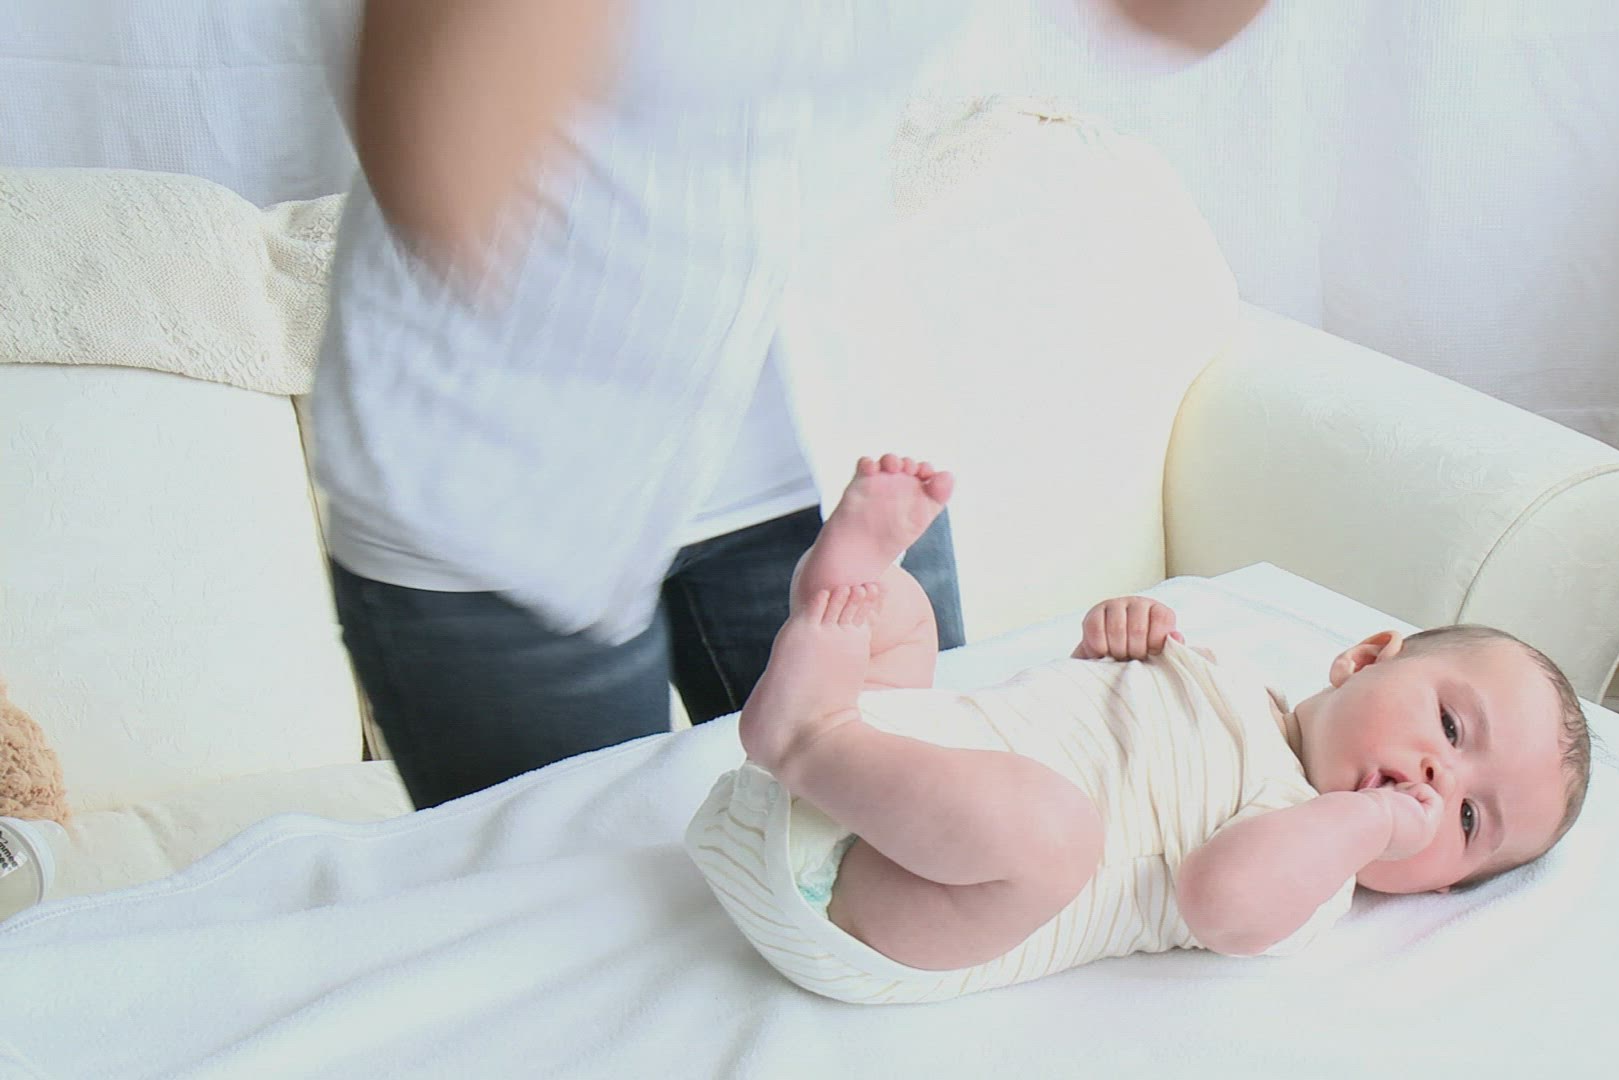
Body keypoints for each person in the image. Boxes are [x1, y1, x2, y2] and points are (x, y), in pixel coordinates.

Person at [309, 0, 1274, 810]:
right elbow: (443, 174)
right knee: (575, 936)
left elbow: (1175, 19)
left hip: (839, 453)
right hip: (502, 484)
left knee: (910, 893)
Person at [685, 453, 1592, 1003]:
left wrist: (1365, 822)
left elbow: (1219, 900)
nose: (1438, 781)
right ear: (1362, 658)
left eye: (1467, 818)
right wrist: (1112, 644)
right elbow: (1078, 718)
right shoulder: (1225, 674)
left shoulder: (1313, 876)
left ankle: (805, 735)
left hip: (875, 908)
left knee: (1054, 832)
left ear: (1439, 887)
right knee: (901, 618)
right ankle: (847, 591)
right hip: (885, 772)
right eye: (1450, 726)